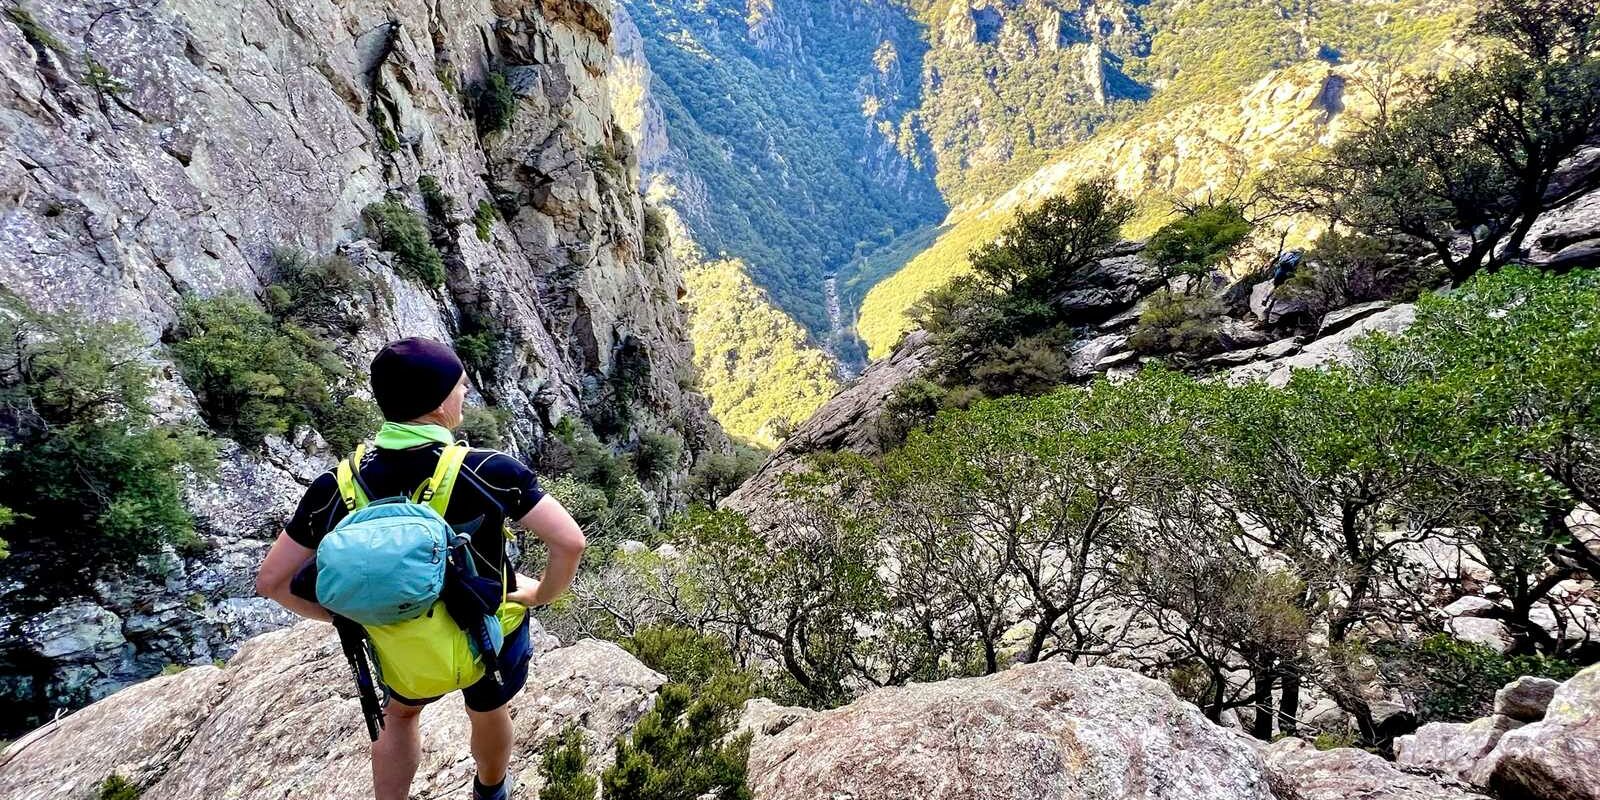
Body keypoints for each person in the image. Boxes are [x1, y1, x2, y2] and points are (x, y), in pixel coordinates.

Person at [255, 337, 586, 800]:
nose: (465, 393)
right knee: (488, 708)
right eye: (460, 386)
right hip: (490, 632)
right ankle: (491, 791)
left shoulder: (338, 484)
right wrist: (540, 595)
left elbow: (272, 581)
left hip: (401, 643)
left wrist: (347, 616)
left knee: (401, 716)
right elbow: (569, 542)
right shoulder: (487, 469)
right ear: (438, 401)